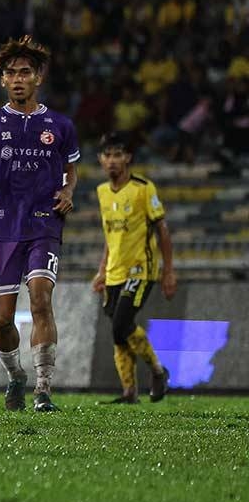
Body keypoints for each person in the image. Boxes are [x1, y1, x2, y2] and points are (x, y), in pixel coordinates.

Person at [0, 36, 80, 412]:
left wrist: (68, 192)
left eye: (24, 72)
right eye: (10, 73)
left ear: (38, 77)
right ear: (2, 80)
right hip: (2, 226)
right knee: (2, 319)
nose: (17, 78)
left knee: (41, 297)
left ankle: (44, 389)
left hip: (45, 222)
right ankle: (15, 375)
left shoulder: (59, 125)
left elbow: (71, 170)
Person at [91, 132, 174, 404]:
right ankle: (129, 391)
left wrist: (168, 271)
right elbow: (108, 235)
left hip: (141, 268)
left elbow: (162, 229)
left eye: (118, 155)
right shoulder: (102, 192)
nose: (112, 160)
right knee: (118, 330)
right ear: (101, 160)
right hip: (114, 270)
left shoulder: (143, 188)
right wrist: (102, 270)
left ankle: (158, 371)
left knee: (121, 323)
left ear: (128, 158)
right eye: (108, 155)